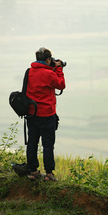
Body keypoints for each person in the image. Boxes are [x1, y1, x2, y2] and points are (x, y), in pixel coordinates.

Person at [26, 47, 66, 181]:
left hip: (32, 114)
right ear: (48, 60)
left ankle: (33, 172)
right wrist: (59, 68)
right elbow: (61, 85)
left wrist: (52, 69)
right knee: (48, 145)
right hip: (47, 115)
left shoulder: (30, 71)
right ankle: (49, 174)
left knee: (32, 143)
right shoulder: (49, 74)